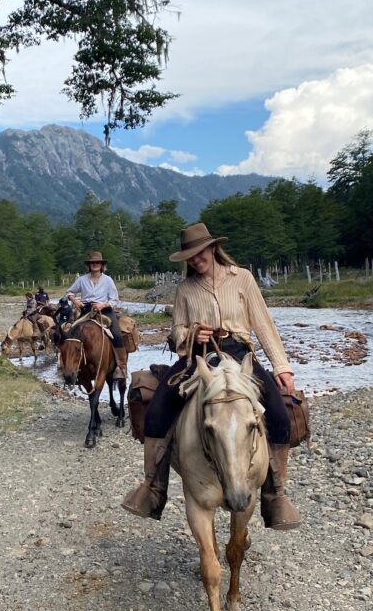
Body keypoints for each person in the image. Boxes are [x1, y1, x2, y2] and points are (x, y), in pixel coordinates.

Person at [122, 222, 301, 530]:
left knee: (280, 416)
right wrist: (191, 332)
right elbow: (175, 331)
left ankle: (276, 496)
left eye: (198, 252)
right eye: (189, 256)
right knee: (157, 413)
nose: (194, 259)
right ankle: (152, 487)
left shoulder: (242, 278)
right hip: (197, 356)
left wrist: (282, 367)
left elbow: (263, 324)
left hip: (241, 353)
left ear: (212, 248)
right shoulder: (185, 289)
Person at [67, 251, 128, 379]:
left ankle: (121, 367)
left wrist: (102, 305)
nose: (94, 265)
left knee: (116, 334)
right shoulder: (82, 279)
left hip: (104, 311)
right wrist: (75, 301)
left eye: (97, 263)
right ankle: (69, 367)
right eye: (92, 263)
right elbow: (70, 292)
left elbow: (114, 299)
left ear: (101, 265)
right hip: (86, 311)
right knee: (71, 333)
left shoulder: (108, 280)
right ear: (89, 265)